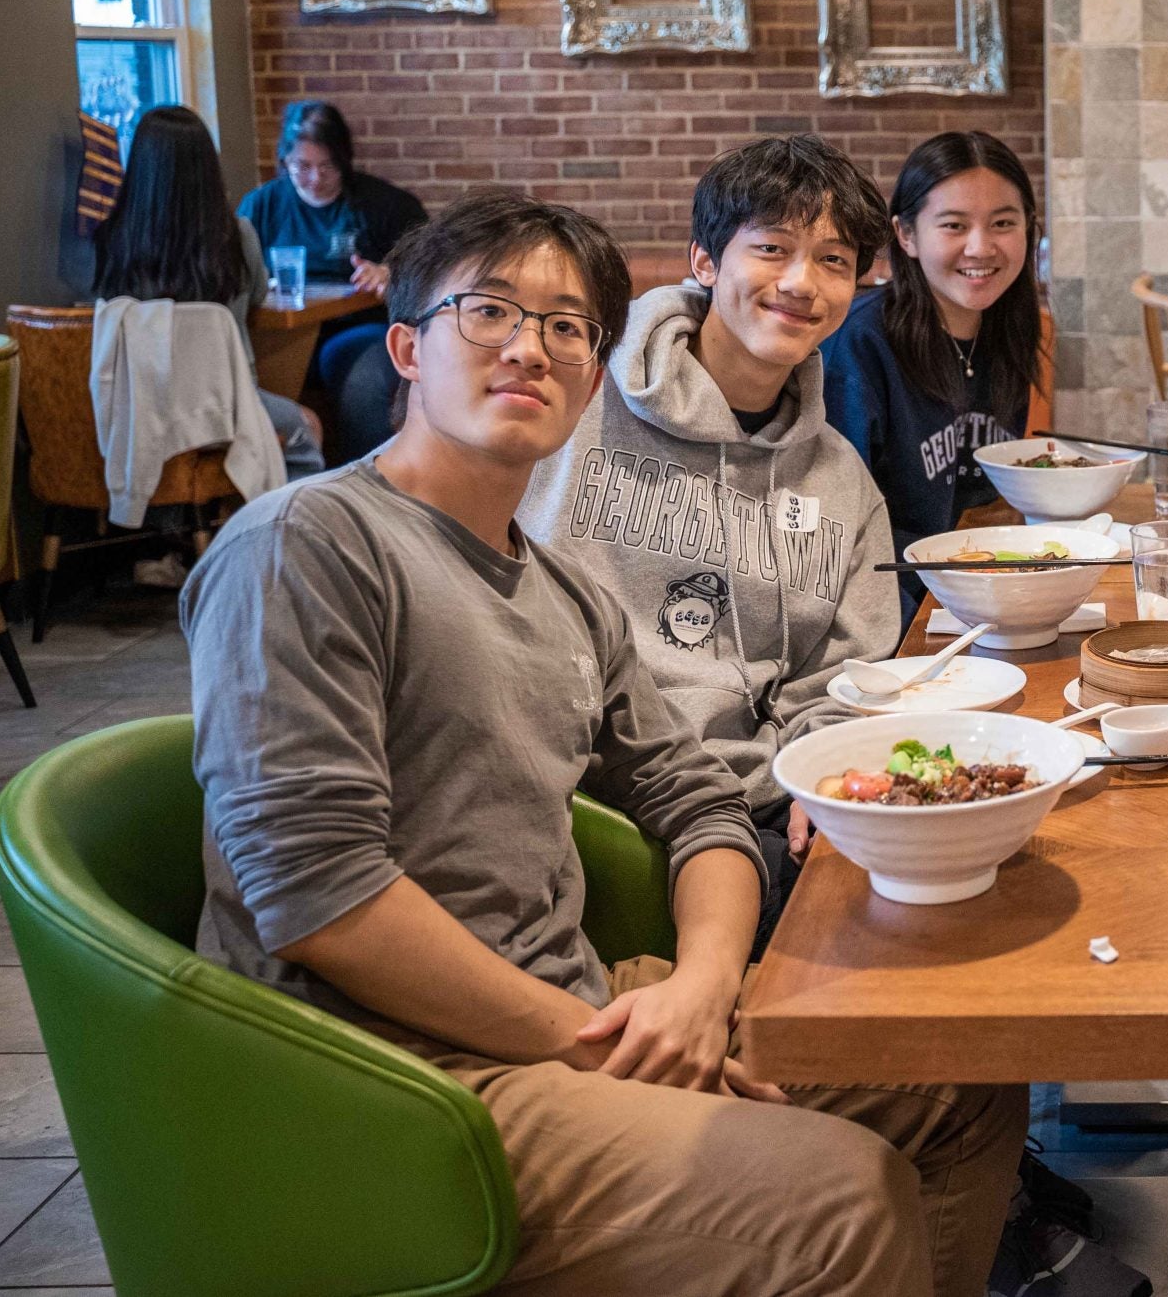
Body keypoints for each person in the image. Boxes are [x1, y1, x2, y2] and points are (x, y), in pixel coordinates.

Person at [184, 189, 1027, 1297]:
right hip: (381, 1067)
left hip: (575, 1001)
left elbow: (699, 802)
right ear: (405, 345)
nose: (530, 347)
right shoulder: (310, 543)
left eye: (568, 327)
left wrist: (701, 986)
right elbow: (318, 891)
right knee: (840, 1197)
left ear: (593, 377)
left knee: (957, 1076)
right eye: (487, 312)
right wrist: (596, 1037)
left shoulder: (563, 590)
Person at [517, 135, 900, 955]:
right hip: (567, 789)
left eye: (833, 260)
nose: (802, 283)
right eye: (771, 248)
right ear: (703, 259)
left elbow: (846, 670)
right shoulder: (573, 403)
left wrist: (822, 758)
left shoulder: (840, 482)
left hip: (748, 808)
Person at [822, 131, 1043, 620]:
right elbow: (836, 529)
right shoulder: (862, 344)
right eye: (954, 225)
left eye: (1003, 223)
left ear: (1030, 228)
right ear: (906, 235)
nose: (981, 247)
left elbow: (982, 496)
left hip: (971, 596)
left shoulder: (1007, 329)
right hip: (890, 615)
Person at [89, 105, 323, 493]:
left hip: (141, 411)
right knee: (306, 424)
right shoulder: (236, 235)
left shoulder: (112, 240)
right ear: (207, 169)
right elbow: (258, 296)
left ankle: (175, 536)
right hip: (224, 406)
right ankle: (289, 540)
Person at [237, 100, 429, 460]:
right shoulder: (261, 206)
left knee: (364, 381)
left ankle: (368, 483)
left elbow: (431, 272)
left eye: (327, 167)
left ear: (344, 161)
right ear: (285, 162)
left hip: (354, 328)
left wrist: (390, 274)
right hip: (277, 334)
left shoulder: (384, 205)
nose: (314, 178)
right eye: (302, 166)